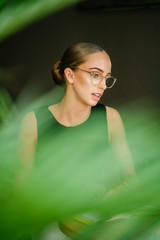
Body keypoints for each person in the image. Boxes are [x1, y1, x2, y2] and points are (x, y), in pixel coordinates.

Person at [20, 42, 136, 239]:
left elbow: (131, 180)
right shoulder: (33, 120)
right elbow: (21, 187)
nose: (102, 85)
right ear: (70, 75)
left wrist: (116, 192)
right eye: (95, 74)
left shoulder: (110, 117)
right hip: (51, 218)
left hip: (103, 216)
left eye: (107, 78)